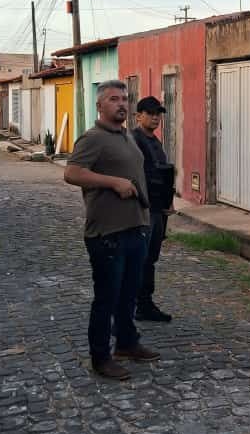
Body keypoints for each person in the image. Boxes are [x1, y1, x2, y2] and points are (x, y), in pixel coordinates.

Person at [64, 79, 161, 381]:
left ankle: (127, 344)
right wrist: (112, 182)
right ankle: (101, 357)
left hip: (135, 228)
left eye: (124, 99)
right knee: (106, 297)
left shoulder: (126, 136)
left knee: (129, 294)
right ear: (100, 105)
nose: (121, 104)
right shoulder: (92, 138)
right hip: (107, 234)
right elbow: (71, 173)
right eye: (114, 99)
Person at [131, 95, 175, 322]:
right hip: (143, 209)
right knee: (142, 258)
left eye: (158, 113)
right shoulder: (134, 140)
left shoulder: (154, 140)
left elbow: (162, 173)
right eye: (151, 113)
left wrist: (169, 201)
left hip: (158, 208)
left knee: (151, 258)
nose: (156, 117)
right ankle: (140, 305)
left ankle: (145, 303)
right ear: (139, 116)